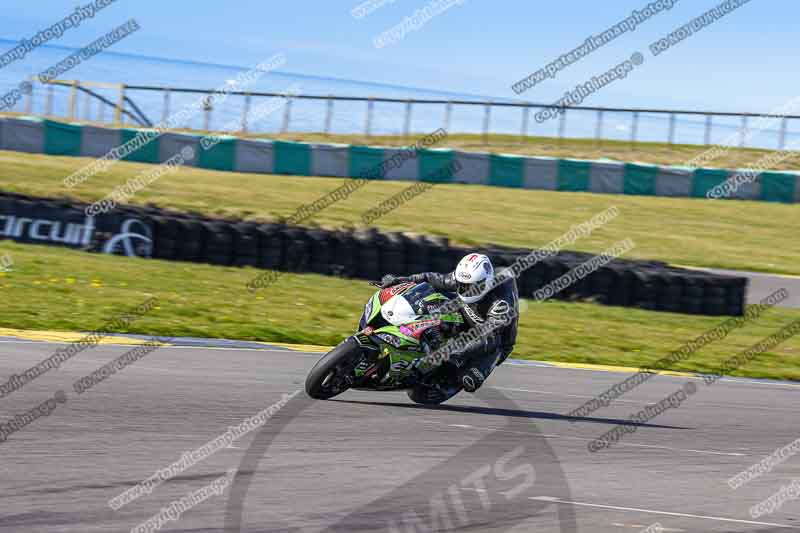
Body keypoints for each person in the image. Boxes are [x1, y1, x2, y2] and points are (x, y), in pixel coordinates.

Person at [379, 253, 518, 403]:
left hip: (494, 342)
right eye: (462, 286)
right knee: (432, 298)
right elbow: (433, 279)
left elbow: (487, 338)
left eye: (472, 287)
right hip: (466, 311)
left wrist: (455, 352)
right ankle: (412, 336)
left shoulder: (501, 304)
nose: (466, 290)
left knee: (470, 379)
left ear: (487, 282)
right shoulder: (466, 279)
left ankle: (450, 374)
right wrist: (405, 280)